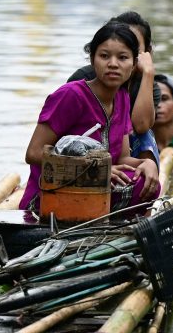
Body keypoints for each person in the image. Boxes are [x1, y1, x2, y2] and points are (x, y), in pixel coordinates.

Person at [22, 22, 161, 213]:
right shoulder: (71, 95)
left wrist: (147, 163)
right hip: (52, 194)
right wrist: (92, 168)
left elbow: (122, 159)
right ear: (93, 60)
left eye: (122, 57)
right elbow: (33, 153)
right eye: (104, 56)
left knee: (147, 184)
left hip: (94, 191)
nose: (113, 64)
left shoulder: (123, 98)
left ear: (134, 64)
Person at [68, 11, 159, 163]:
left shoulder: (146, 85)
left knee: (145, 137)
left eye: (131, 46)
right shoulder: (81, 82)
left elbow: (141, 126)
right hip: (83, 157)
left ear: (145, 53)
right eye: (105, 55)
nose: (114, 64)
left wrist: (148, 73)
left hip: (124, 157)